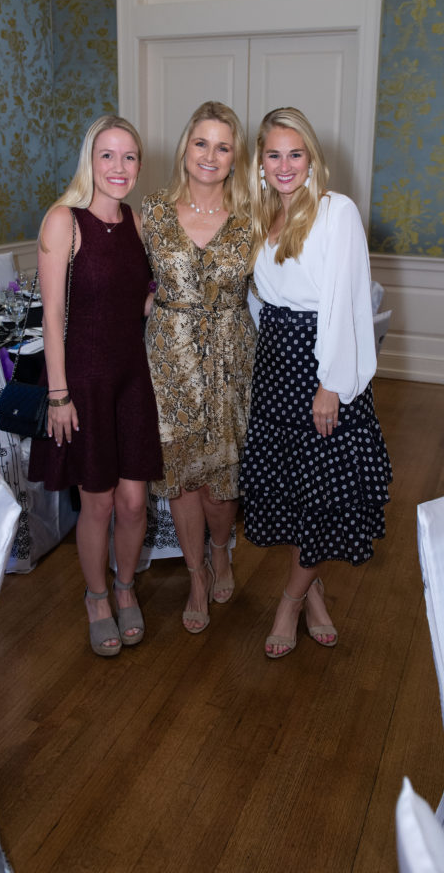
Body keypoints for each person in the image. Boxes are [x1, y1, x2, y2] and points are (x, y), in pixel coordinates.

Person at [241, 107, 392, 658]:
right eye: (273, 154)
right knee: (295, 488)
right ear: (260, 161)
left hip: (320, 364)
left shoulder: (335, 212)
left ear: (312, 160)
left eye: (295, 154)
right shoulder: (259, 215)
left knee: (326, 490)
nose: (284, 166)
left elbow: (348, 302)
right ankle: (314, 592)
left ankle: (289, 600)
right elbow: (259, 300)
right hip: (276, 363)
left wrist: (330, 383)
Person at [28, 115, 163, 657]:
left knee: (134, 501)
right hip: (82, 377)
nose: (119, 167)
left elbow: (138, 299)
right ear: (90, 160)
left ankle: (126, 584)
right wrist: (58, 394)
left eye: (129, 157)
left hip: (132, 376)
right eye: (107, 155)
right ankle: (96, 597)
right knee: (99, 502)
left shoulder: (138, 221)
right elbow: (52, 319)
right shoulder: (64, 220)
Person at [142, 101, 256, 633]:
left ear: (236, 158)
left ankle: (221, 548)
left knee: (221, 481)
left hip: (234, 358)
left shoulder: (255, 218)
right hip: (170, 360)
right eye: (201, 143)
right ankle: (195, 575)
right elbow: (126, 281)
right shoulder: (152, 214)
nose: (210, 155)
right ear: (186, 148)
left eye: (223, 146)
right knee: (182, 479)